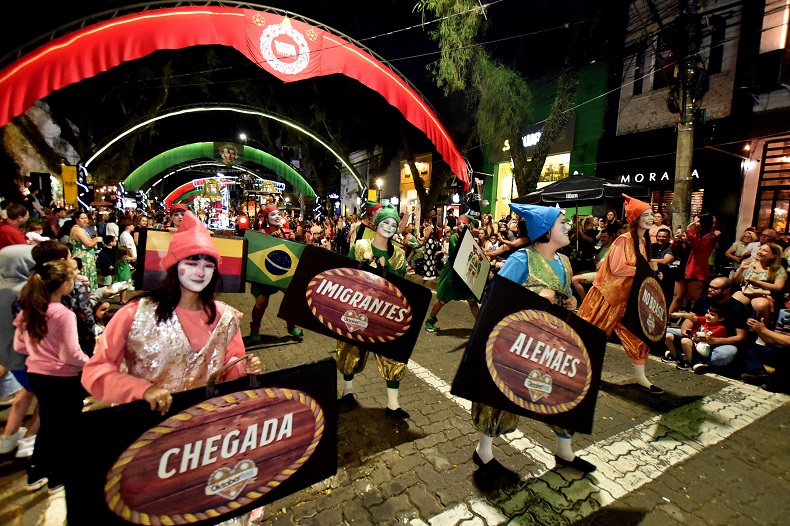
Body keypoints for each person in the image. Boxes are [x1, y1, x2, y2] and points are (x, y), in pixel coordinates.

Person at [82, 210, 261, 409]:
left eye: (208, 265)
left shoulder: (225, 317)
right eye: (192, 264)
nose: (200, 272)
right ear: (174, 266)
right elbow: (98, 371)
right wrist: (140, 389)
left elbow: (229, 365)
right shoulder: (136, 314)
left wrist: (245, 367)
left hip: (204, 426)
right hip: (146, 426)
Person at [471, 203, 596, 480]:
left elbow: (563, 298)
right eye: (562, 224)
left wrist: (571, 301)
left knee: (563, 391)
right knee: (503, 393)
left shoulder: (564, 261)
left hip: (552, 344)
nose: (567, 228)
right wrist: (535, 296)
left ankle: (564, 450)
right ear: (546, 231)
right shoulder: (522, 259)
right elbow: (496, 297)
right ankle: (484, 451)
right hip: (519, 343)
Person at [14, 259, 88, 493]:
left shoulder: (31, 309)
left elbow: (19, 346)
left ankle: (37, 471)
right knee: (64, 427)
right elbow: (71, 354)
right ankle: (57, 477)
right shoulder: (63, 314)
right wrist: (92, 363)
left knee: (49, 423)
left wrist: (39, 353)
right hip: (62, 378)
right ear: (63, 285)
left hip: (38, 375)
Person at [577, 195, 664, 394]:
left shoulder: (642, 242)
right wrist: (645, 271)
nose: (651, 218)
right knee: (589, 337)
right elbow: (617, 268)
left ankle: (641, 378)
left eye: (652, 214)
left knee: (638, 338)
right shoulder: (622, 241)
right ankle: (580, 372)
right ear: (635, 218)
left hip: (627, 299)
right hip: (606, 298)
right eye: (646, 215)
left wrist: (649, 273)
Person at [336, 205, 410, 418]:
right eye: (385, 222)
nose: (388, 227)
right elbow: (344, 274)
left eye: (393, 224)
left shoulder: (398, 255)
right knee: (349, 349)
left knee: (392, 355)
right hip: (357, 308)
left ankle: (393, 405)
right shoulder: (359, 245)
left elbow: (403, 286)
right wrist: (363, 262)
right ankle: (347, 392)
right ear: (377, 224)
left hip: (383, 312)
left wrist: (390, 269)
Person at [0, 245, 39, 459]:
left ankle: (8, 437)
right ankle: (30, 440)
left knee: (25, 393)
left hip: (8, 357)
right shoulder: (25, 293)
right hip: (27, 359)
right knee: (47, 400)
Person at [665, 277, 750, 374]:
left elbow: (740, 337)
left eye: (715, 288)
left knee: (728, 353)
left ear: (727, 290)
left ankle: (683, 355)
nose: (710, 289)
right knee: (664, 331)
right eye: (710, 287)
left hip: (719, 341)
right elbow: (692, 317)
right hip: (696, 334)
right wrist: (685, 330)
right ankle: (689, 357)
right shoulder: (703, 299)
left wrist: (714, 341)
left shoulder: (738, 308)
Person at [248, 203, 303, 342]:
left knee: (292, 298)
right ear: (266, 219)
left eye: (278, 214)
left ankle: (291, 325)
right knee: (261, 302)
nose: (277, 216)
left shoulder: (288, 233)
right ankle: (255, 329)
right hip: (264, 273)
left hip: (284, 273)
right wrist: (270, 239)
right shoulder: (260, 234)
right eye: (273, 214)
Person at [424, 215, 479, 332]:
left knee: (472, 301)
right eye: (459, 223)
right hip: (453, 273)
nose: (461, 225)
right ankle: (429, 321)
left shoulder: (470, 238)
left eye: (464, 223)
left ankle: (480, 326)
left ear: (469, 225)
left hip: (465, 273)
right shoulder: (455, 237)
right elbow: (456, 254)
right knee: (443, 299)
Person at [731, 242, 787, 323]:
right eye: (760, 249)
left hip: (765, 294)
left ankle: (761, 330)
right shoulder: (750, 263)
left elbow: (778, 287)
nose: (760, 252)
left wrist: (757, 282)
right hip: (747, 291)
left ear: (773, 255)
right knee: (734, 300)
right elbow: (735, 282)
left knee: (760, 305)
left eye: (765, 251)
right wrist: (741, 269)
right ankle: (737, 326)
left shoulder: (778, 269)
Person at [665, 306, 728, 370]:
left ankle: (688, 362)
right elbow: (692, 317)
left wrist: (705, 337)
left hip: (700, 348)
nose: (708, 316)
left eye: (712, 315)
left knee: (685, 341)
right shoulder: (704, 320)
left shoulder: (721, 328)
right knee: (668, 336)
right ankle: (674, 357)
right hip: (691, 342)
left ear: (721, 319)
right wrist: (680, 315)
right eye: (707, 313)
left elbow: (711, 342)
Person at [741, 312, 790, 392]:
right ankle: (760, 374)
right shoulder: (786, 318)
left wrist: (764, 330)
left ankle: (779, 383)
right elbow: (772, 341)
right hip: (779, 353)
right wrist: (758, 330)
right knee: (748, 345)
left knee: (781, 349)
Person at [571, 226, 616, 301]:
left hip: (603, 274)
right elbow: (596, 258)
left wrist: (595, 260)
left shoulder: (611, 249)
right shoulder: (604, 247)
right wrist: (595, 259)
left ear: (611, 237)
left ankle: (584, 302)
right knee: (576, 273)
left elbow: (598, 266)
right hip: (597, 271)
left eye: (604, 237)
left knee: (574, 280)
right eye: (601, 237)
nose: (602, 239)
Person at [70, 210, 101, 290]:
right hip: (83, 256)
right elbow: (89, 244)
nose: (85, 220)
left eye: (86, 218)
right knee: (85, 277)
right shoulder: (77, 229)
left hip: (87, 255)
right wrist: (97, 239)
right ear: (76, 219)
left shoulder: (82, 228)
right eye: (82, 218)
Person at [650, 227, 676, 306]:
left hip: (667, 275)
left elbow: (666, 261)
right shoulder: (652, 246)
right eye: (659, 236)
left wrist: (649, 260)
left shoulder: (672, 247)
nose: (661, 238)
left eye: (664, 237)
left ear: (669, 238)